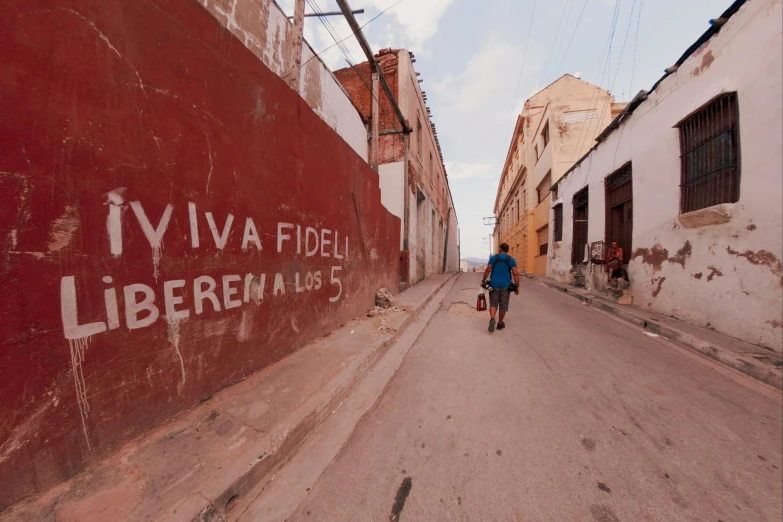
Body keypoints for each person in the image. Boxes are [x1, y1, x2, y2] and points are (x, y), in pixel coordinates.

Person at [480, 243, 520, 333]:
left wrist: (483, 280)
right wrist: (517, 286)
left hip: (494, 285)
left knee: (493, 303)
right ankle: (500, 323)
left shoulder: (493, 258)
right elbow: (515, 274)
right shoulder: (511, 260)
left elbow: (488, 270)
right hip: (506, 285)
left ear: (500, 249)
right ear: (507, 250)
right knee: (503, 306)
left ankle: (492, 319)